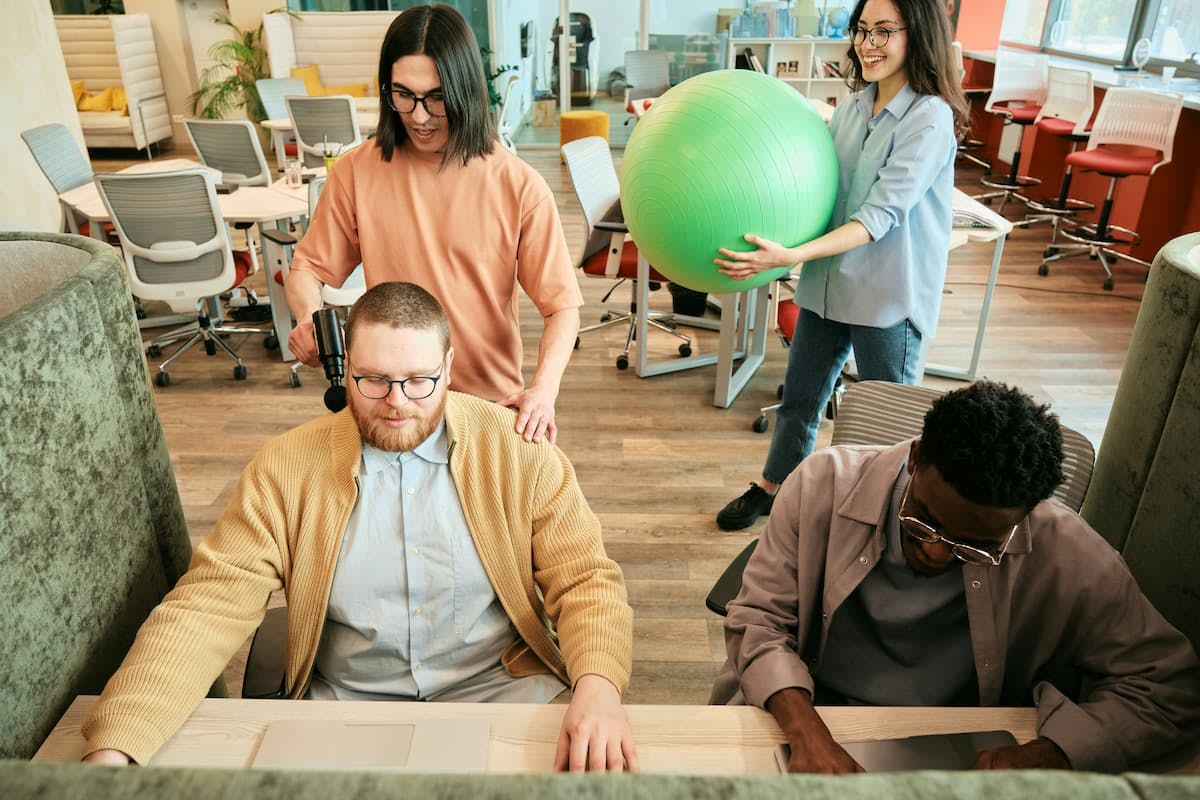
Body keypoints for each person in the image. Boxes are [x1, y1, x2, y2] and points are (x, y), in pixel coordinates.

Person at [83, 282, 637, 772]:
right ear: (346, 366)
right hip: (346, 708)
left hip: (501, 692)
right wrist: (116, 744)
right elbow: (207, 606)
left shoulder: (519, 451)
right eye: (373, 380)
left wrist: (598, 688)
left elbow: (585, 580)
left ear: (449, 366)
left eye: (419, 380)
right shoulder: (283, 469)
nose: (396, 404)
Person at [711, 381, 1200, 774]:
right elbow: (759, 620)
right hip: (808, 712)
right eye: (923, 521)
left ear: (1026, 515)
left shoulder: (1067, 550)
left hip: (961, 740)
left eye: (974, 547)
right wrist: (807, 733)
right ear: (916, 456)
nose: (935, 551)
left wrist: (1051, 753)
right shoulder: (821, 484)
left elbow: (1170, 688)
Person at [713, 0, 968, 530]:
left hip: (886, 295)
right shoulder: (854, 107)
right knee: (800, 401)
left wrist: (791, 256)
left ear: (918, 34)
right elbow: (818, 186)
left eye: (883, 31)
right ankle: (775, 487)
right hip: (828, 286)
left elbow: (879, 215)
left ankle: (889, 519)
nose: (868, 44)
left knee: (889, 426)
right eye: (861, 30)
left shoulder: (929, 118)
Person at [286, 5, 580, 446]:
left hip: (488, 405)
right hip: (392, 404)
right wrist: (308, 319)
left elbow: (562, 308)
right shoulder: (355, 172)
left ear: (466, 91)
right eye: (403, 95)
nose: (419, 116)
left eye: (436, 98)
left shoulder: (519, 185)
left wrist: (544, 391)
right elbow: (308, 269)